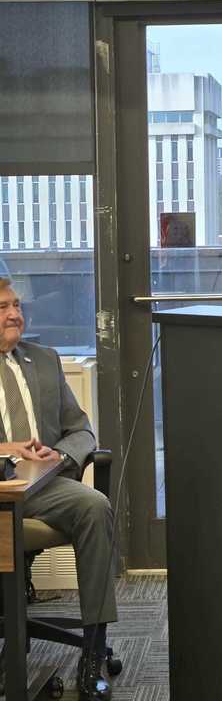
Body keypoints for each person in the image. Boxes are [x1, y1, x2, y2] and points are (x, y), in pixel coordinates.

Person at [0, 278, 116, 701]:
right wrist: (6, 449)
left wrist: (59, 459)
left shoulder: (44, 360)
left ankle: (91, 649)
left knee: (94, 505)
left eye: (16, 305)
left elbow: (81, 430)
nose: (14, 314)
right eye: (2, 308)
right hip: (1, 488)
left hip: (45, 486)